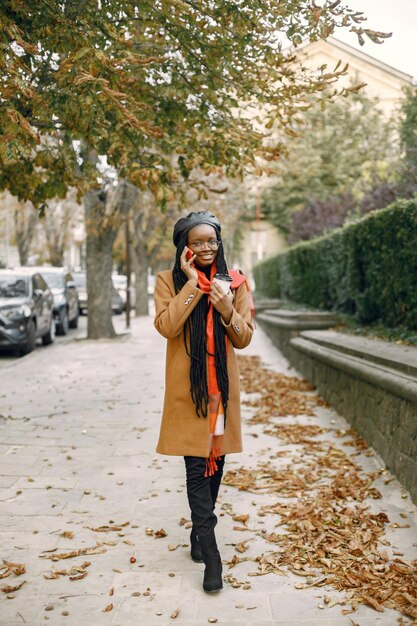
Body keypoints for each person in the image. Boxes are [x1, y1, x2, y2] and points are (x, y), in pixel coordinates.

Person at [154, 211, 254, 593]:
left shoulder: (235, 282)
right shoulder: (168, 282)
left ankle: (198, 533)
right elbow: (166, 327)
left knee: (216, 467)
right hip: (188, 395)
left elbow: (244, 338)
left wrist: (226, 305)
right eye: (197, 242)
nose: (207, 248)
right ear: (185, 248)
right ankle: (212, 557)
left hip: (220, 395)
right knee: (197, 470)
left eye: (211, 241)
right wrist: (194, 285)